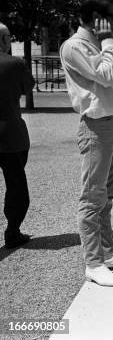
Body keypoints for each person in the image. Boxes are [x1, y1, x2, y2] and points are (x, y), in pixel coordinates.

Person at [60, 0, 113, 287]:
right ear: (97, 21)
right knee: (92, 197)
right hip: (96, 125)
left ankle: (107, 252)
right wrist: (108, 45)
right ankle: (92, 263)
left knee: (109, 194)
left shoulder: (104, 43)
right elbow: (105, 76)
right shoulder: (74, 46)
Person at [0, 22, 34, 248]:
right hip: (10, 134)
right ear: (4, 40)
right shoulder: (15, 63)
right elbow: (27, 88)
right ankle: (13, 230)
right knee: (16, 186)